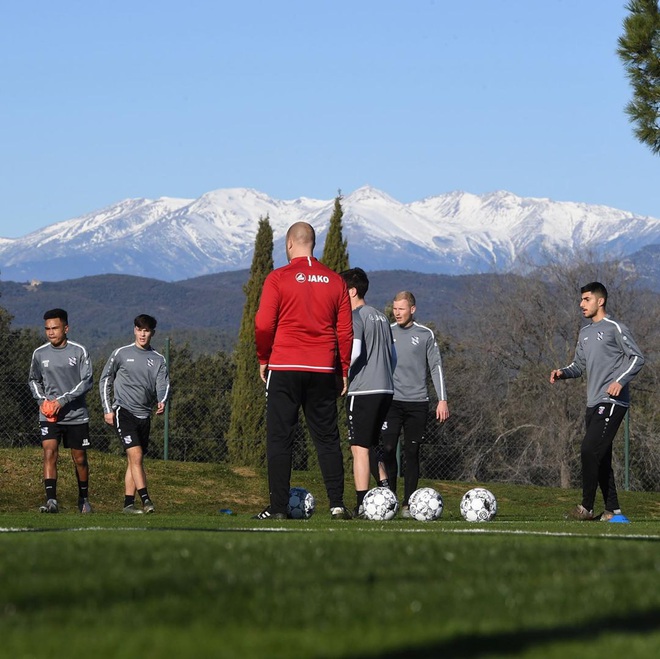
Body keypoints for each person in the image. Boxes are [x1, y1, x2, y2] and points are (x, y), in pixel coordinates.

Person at [254, 221, 354, 520]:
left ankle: (278, 508)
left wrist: (263, 357)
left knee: (280, 438)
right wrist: (343, 368)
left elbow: (262, 323)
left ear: (289, 244)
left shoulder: (278, 278)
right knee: (327, 438)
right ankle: (337, 504)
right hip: (323, 368)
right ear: (313, 244)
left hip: (284, 366)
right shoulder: (335, 281)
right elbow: (345, 331)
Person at [550, 282, 644, 521]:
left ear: (600, 301)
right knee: (599, 456)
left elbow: (637, 358)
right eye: (581, 300)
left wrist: (620, 382)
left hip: (612, 401)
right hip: (592, 403)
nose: (581, 304)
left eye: (586, 299)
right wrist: (562, 372)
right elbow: (578, 366)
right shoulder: (584, 333)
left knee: (589, 450)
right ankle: (613, 511)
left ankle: (586, 508)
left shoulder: (615, 328)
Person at [381, 291, 450, 518]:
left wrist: (442, 399)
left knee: (412, 452)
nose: (397, 313)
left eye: (401, 308)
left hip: (417, 403)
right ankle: (389, 497)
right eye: (395, 308)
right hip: (391, 401)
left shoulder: (425, 335)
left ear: (412, 309)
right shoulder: (386, 332)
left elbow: (436, 367)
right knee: (388, 449)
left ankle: (408, 503)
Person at [99, 314, 170, 514]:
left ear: (152, 333)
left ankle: (128, 504)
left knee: (135, 460)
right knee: (136, 455)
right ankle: (146, 500)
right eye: (139, 329)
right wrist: (107, 409)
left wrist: (162, 400)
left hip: (144, 416)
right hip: (123, 411)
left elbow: (163, 383)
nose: (142, 334)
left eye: (146, 330)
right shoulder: (121, 353)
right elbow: (104, 379)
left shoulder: (158, 359)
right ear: (134, 330)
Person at [341, 267, 396, 518]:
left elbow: (353, 352)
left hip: (363, 390)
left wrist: (340, 374)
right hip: (386, 388)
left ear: (351, 291)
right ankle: (387, 496)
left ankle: (362, 504)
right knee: (372, 446)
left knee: (359, 448)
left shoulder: (355, 316)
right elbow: (393, 357)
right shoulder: (382, 317)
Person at [28, 308, 93, 513]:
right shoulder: (39, 353)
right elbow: (33, 380)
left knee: (80, 458)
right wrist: (42, 401)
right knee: (49, 452)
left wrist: (62, 401)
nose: (50, 332)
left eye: (55, 328)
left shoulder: (79, 351)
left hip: (76, 415)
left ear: (66, 328)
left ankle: (83, 499)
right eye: (47, 328)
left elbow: (87, 381)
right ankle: (51, 501)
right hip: (49, 415)